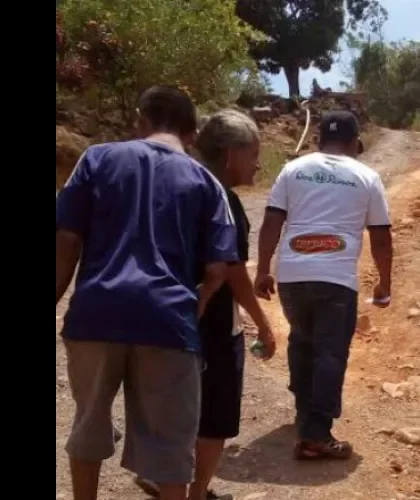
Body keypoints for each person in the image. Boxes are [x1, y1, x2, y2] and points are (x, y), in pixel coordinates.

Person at [56, 86, 238, 500]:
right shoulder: (208, 183)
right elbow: (216, 270)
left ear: (141, 119)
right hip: (169, 322)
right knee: (170, 447)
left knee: (88, 426)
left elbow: (66, 241)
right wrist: (196, 310)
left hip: (95, 315)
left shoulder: (96, 159)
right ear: (192, 134)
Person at [133, 109, 278, 500]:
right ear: (231, 155)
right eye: (253, 153)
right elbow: (233, 272)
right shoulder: (224, 199)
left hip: (163, 313)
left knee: (172, 406)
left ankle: (166, 479)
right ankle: (195, 492)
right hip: (212, 324)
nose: (258, 163)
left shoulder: (176, 186)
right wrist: (263, 323)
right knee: (214, 415)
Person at [254, 110, 393, 460]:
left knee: (302, 341)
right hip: (336, 280)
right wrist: (384, 282)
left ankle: (306, 414)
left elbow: (272, 219)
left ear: (318, 140)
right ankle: (315, 434)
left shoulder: (293, 169)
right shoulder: (366, 176)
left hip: (292, 276)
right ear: (353, 143)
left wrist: (263, 269)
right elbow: (380, 236)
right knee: (330, 351)